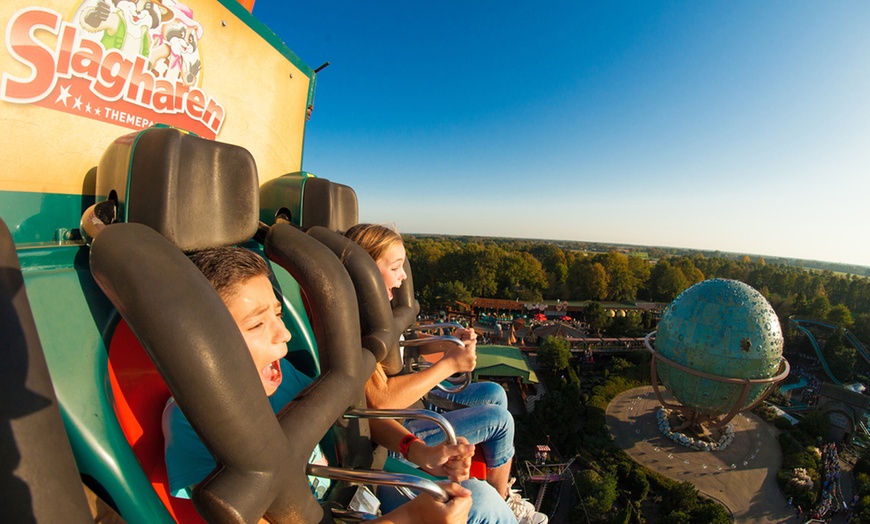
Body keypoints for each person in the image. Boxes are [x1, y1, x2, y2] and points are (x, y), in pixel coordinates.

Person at [163, 246, 518, 523]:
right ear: (202, 344)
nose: (284, 334)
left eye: (278, 315)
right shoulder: (192, 425)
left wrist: (422, 453)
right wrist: (412, 517)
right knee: (483, 502)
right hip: (335, 511)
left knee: (475, 493)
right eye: (257, 325)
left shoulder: (280, 374)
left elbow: (350, 414)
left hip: (354, 481)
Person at [346, 224, 547, 524]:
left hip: (413, 412)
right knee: (501, 421)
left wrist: (449, 343)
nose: (402, 277)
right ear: (367, 273)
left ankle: (502, 495)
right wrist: (450, 364)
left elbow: (405, 349)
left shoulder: (381, 312)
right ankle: (503, 498)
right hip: (405, 423)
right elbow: (378, 401)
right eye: (396, 267)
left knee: (495, 393)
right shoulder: (357, 324)